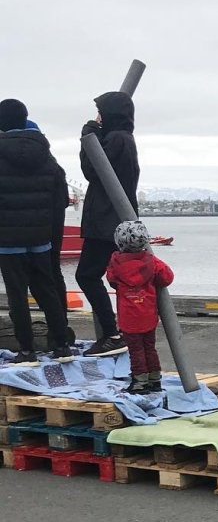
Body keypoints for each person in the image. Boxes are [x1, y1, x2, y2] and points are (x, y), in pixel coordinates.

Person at [0, 98, 73, 366]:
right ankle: (62, 344)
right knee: (48, 289)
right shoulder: (46, 155)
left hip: (7, 240)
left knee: (17, 295)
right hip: (42, 237)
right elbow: (60, 196)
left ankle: (27, 350)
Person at [77, 91, 140, 357]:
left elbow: (93, 170)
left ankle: (112, 333)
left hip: (106, 221)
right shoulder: (124, 138)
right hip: (114, 219)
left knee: (87, 275)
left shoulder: (115, 139)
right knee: (114, 277)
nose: (98, 118)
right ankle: (123, 332)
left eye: (101, 113)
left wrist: (88, 136)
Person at [105, 221, 173, 394]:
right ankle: (154, 378)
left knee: (136, 350)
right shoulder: (152, 262)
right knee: (149, 347)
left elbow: (112, 280)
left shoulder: (116, 263)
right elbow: (166, 278)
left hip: (128, 316)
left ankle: (139, 381)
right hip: (148, 314)